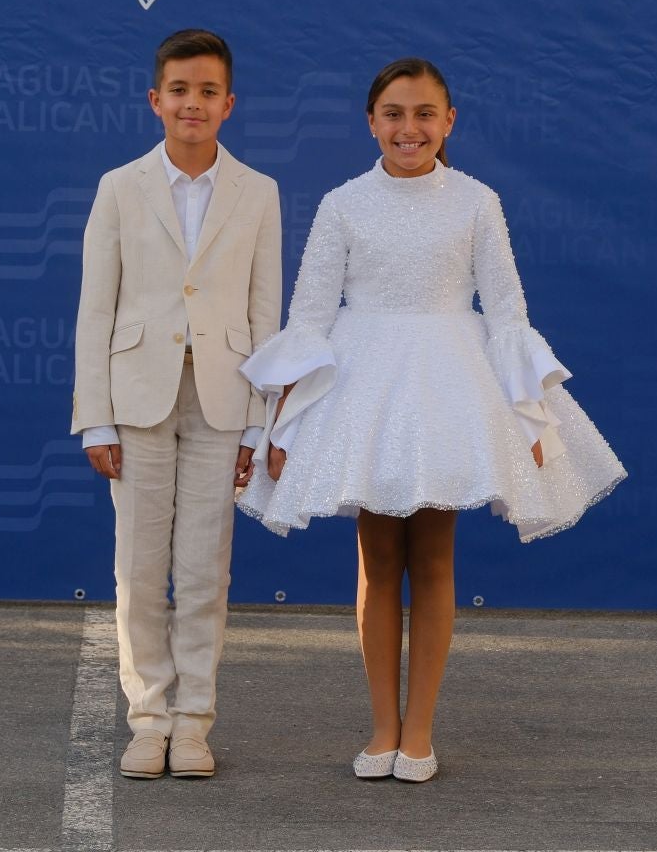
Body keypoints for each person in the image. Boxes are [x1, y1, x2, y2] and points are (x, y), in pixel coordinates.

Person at [235, 57, 624, 783]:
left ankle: (420, 731)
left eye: (423, 114)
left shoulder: (478, 201)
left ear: (449, 121)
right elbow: (311, 316)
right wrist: (281, 423)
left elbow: (508, 314)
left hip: (452, 387)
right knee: (377, 561)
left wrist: (533, 417)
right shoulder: (343, 202)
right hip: (363, 389)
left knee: (434, 558)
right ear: (370, 122)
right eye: (392, 113)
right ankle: (382, 725)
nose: (407, 128)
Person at [70, 28, 283, 781]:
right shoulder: (120, 187)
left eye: (208, 92)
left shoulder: (258, 192)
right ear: (155, 99)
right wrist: (95, 416)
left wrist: (264, 421)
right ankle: (147, 719)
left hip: (224, 403)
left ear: (230, 104)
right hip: (137, 399)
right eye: (180, 91)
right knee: (138, 568)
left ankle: (193, 723)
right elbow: (96, 309)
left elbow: (266, 317)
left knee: (204, 570)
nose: (194, 104)